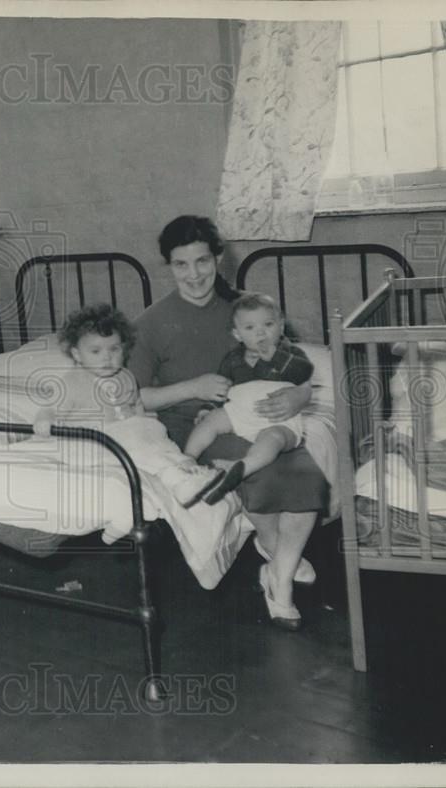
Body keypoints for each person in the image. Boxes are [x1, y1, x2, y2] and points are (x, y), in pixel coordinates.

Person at [127, 216, 325, 631]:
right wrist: (191, 387)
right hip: (198, 426)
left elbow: (292, 366)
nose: (194, 274)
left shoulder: (245, 310)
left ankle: (278, 572)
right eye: (182, 265)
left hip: (260, 419)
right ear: (169, 266)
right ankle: (281, 582)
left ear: (218, 258)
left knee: (308, 476)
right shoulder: (151, 322)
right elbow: (137, 396)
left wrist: (300, 395)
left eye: (202, 261)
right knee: (267, 475)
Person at [31, 303, 224, 507]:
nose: (107, 357)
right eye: (95, 351)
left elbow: (136, 403)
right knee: (145, 452)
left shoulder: (125, 376)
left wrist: (145, 427)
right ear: (77, 355)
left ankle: (191, 471)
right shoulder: (71, 381)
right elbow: (49, 408)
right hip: (93, 445)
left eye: (114, 349)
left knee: (158, 441)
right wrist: (44, 420)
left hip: (125, 438)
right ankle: (179, 484)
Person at [185, 293, 314, 505]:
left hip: (278, 418)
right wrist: (208, 408)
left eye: (268, 324)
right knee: (211, 421)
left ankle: (243, 467)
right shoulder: (233, 359)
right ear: (237, 334)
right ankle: (187, 458)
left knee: (273, 439)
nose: (260, 332)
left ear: (281, 327)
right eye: (250, 328)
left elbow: (304, 373)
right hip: (240, 413)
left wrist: (277, 356)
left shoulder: (290, 353)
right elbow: (222, 387)